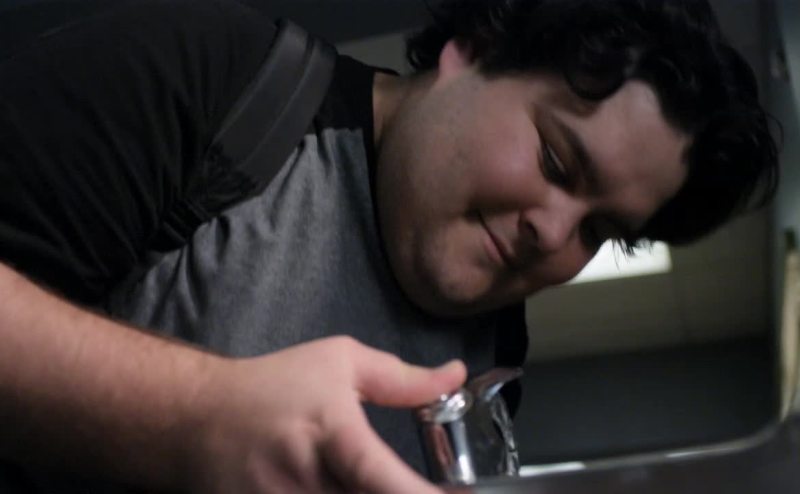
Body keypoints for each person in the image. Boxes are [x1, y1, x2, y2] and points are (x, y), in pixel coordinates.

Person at [0, 0, 778, 492]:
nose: (552, 232)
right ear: (474, 47)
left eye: (599, 231)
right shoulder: (221, 80)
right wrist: (199, 416)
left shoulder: (493, 359)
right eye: (555, 161)